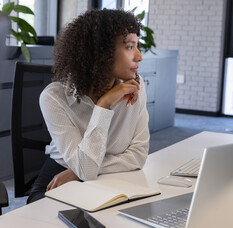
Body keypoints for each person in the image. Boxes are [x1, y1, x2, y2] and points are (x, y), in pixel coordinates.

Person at [27, 9, 150, 203]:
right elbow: (86, 169)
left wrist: (78, 172)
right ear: (101, 53)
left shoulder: (136, 87)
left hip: (106, 178)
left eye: (137, 47)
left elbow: (138, 156)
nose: (139, 56)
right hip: (57, 181)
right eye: (129, 47)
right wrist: (104, 105)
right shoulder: (54, 98)